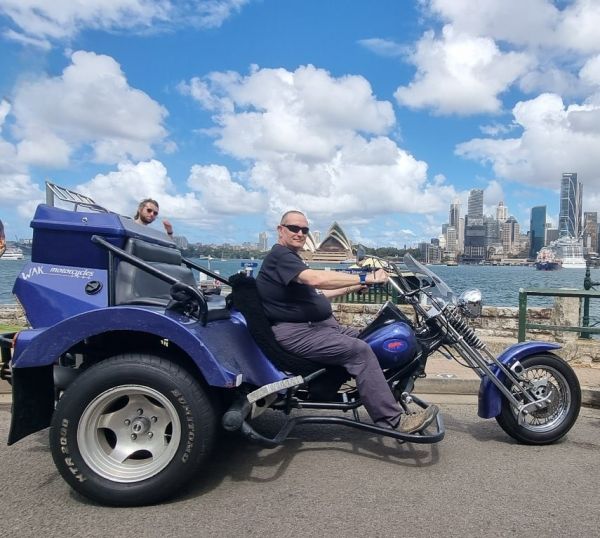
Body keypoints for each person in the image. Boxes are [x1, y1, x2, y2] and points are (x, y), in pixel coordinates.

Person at [256, 210, 439, 433]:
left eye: (304, 229)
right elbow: (316, 279)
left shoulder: (291, 259)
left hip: (318, 328)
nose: (300, 233)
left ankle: (387, 394)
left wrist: (354, 286)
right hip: (297, 333)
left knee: (375, 336)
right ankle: (393, 421)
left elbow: (318, 296)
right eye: (294, 228)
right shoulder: (280, 256)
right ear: (280, 230)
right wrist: (366, 276)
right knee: (359, 350)